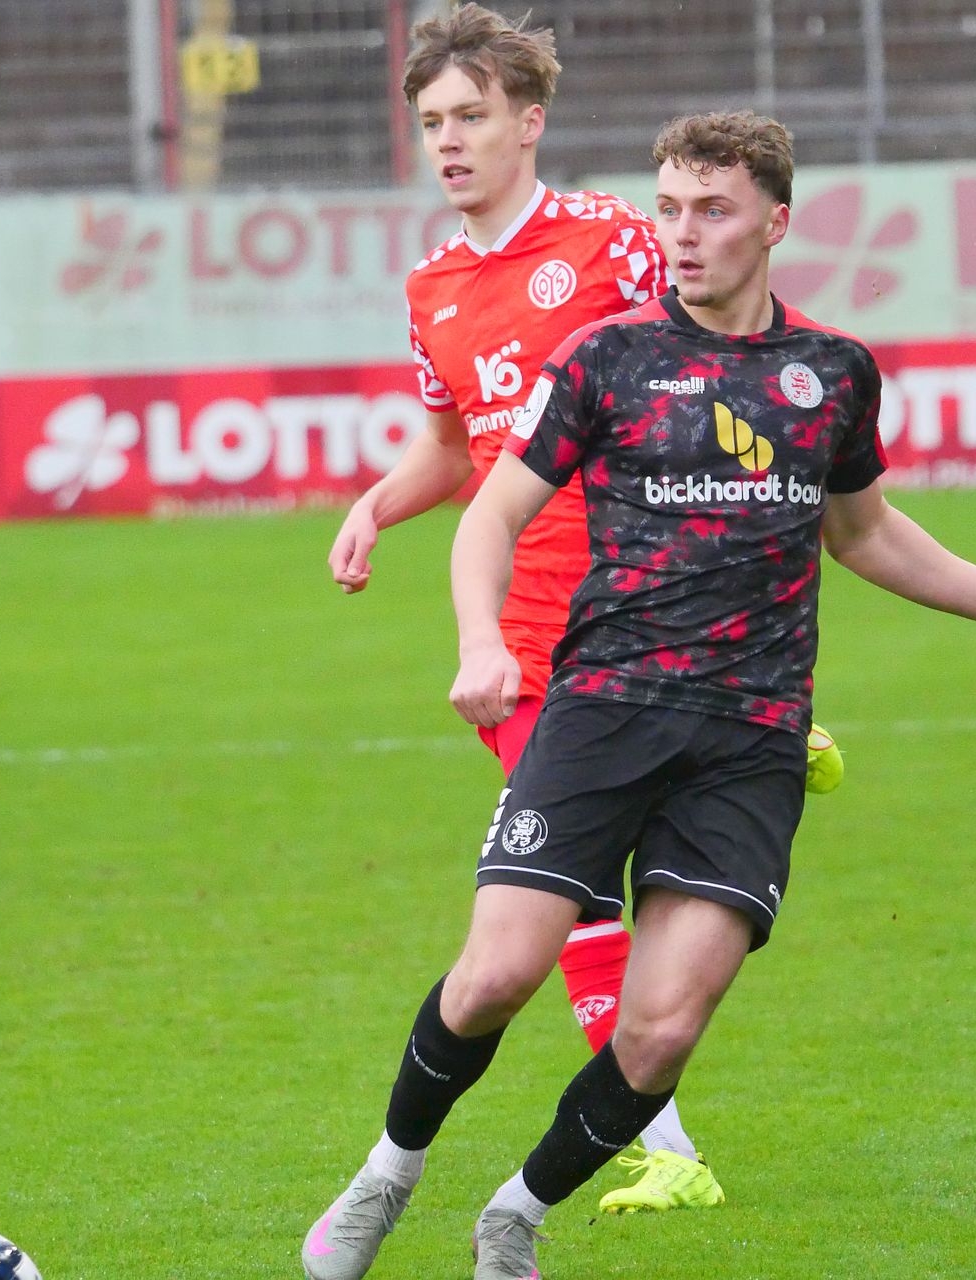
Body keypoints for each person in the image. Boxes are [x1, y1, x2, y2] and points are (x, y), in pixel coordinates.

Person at [304, 107, 976, 1280]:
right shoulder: (604, 358)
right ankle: (386, 1174)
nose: (684, 234)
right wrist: (481, 642)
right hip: (602, 709)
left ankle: (516, 1213)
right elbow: (489, 514)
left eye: (712, 210)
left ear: (775, 221)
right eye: (669, 209)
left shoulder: (832, 372)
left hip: (751, 739)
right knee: (496, 972)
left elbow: (868, 534)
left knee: (660, 1030)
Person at [324, 1, 729, 1216]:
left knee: (599, 883)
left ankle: (661, 1139)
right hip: (516, 624)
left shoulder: (614, 242)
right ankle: (668, 1145)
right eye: (431, 122)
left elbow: (716, 364)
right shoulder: (432, 285)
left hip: (640, 610)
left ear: (530, 121)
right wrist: (378, 503)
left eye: (470, 116)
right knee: (571, 883)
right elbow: (456, 446)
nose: (448, 141)